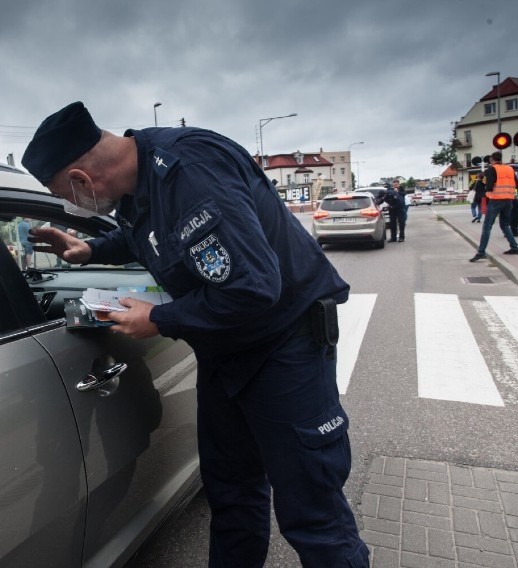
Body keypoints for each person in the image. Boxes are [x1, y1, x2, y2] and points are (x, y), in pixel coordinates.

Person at [21, 101, 369, 568]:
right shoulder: (139, 181)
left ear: (83, 179)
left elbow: (254, 287)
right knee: (232, 493)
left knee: (312, 512)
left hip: (285, 345)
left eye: (66, 194)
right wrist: (91, 248)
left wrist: (159, 321)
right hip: (227, 350)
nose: (71, 205)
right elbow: (149, 233)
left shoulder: (189, 172)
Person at [470, 151, 518, 261]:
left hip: (496, 200)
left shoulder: (492, 169)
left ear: (492, 160)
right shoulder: (510, 169)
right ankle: (515, 247)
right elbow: (517, 185)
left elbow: (489, 187)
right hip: (509, 200)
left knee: (487, 226)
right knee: (505, 224)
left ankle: (481, 252)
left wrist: (483, 188)